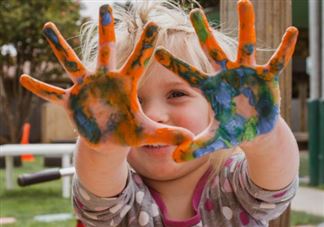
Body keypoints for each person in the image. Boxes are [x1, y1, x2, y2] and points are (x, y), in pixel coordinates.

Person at [20, 0, 300, 226]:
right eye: (132, 102)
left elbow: (276, 182)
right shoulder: (120, 199)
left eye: (177, 94)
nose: (153, 114)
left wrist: (263, 134)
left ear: (216, 107)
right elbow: (98, 185)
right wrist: (103, 149)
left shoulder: (234, 185)